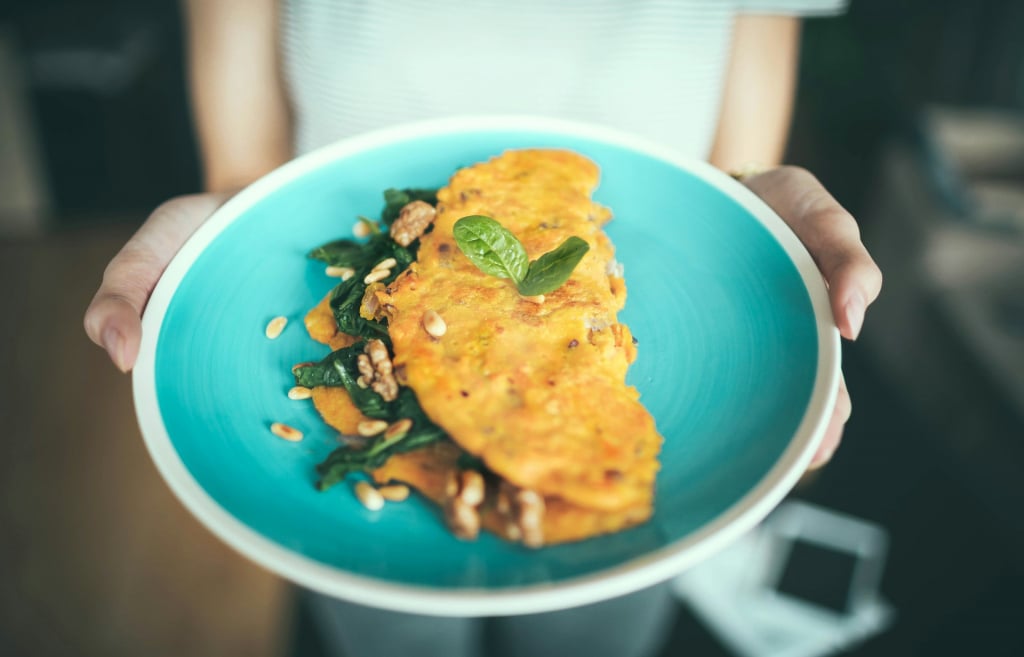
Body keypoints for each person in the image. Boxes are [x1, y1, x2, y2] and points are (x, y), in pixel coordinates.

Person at [83, 1, 882, 656]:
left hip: (640, 369)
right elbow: (244, 173)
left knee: (598, 630)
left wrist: (765, 248)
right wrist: (223, 230)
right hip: (363, 276)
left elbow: (730, 184)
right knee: (387, 629)